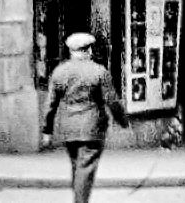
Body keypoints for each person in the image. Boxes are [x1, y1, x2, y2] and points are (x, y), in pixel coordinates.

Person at [42, 32, 127, 203]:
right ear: (88, 50)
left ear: (71, 51)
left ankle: (79, 198)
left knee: (78, 167)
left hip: (68, 129)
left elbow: (50, 104)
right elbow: (112, 100)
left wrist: (47, 130)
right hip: (92, 129)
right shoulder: (99, 72)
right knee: (85, 170)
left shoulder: (59, 72)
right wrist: (123, 121)